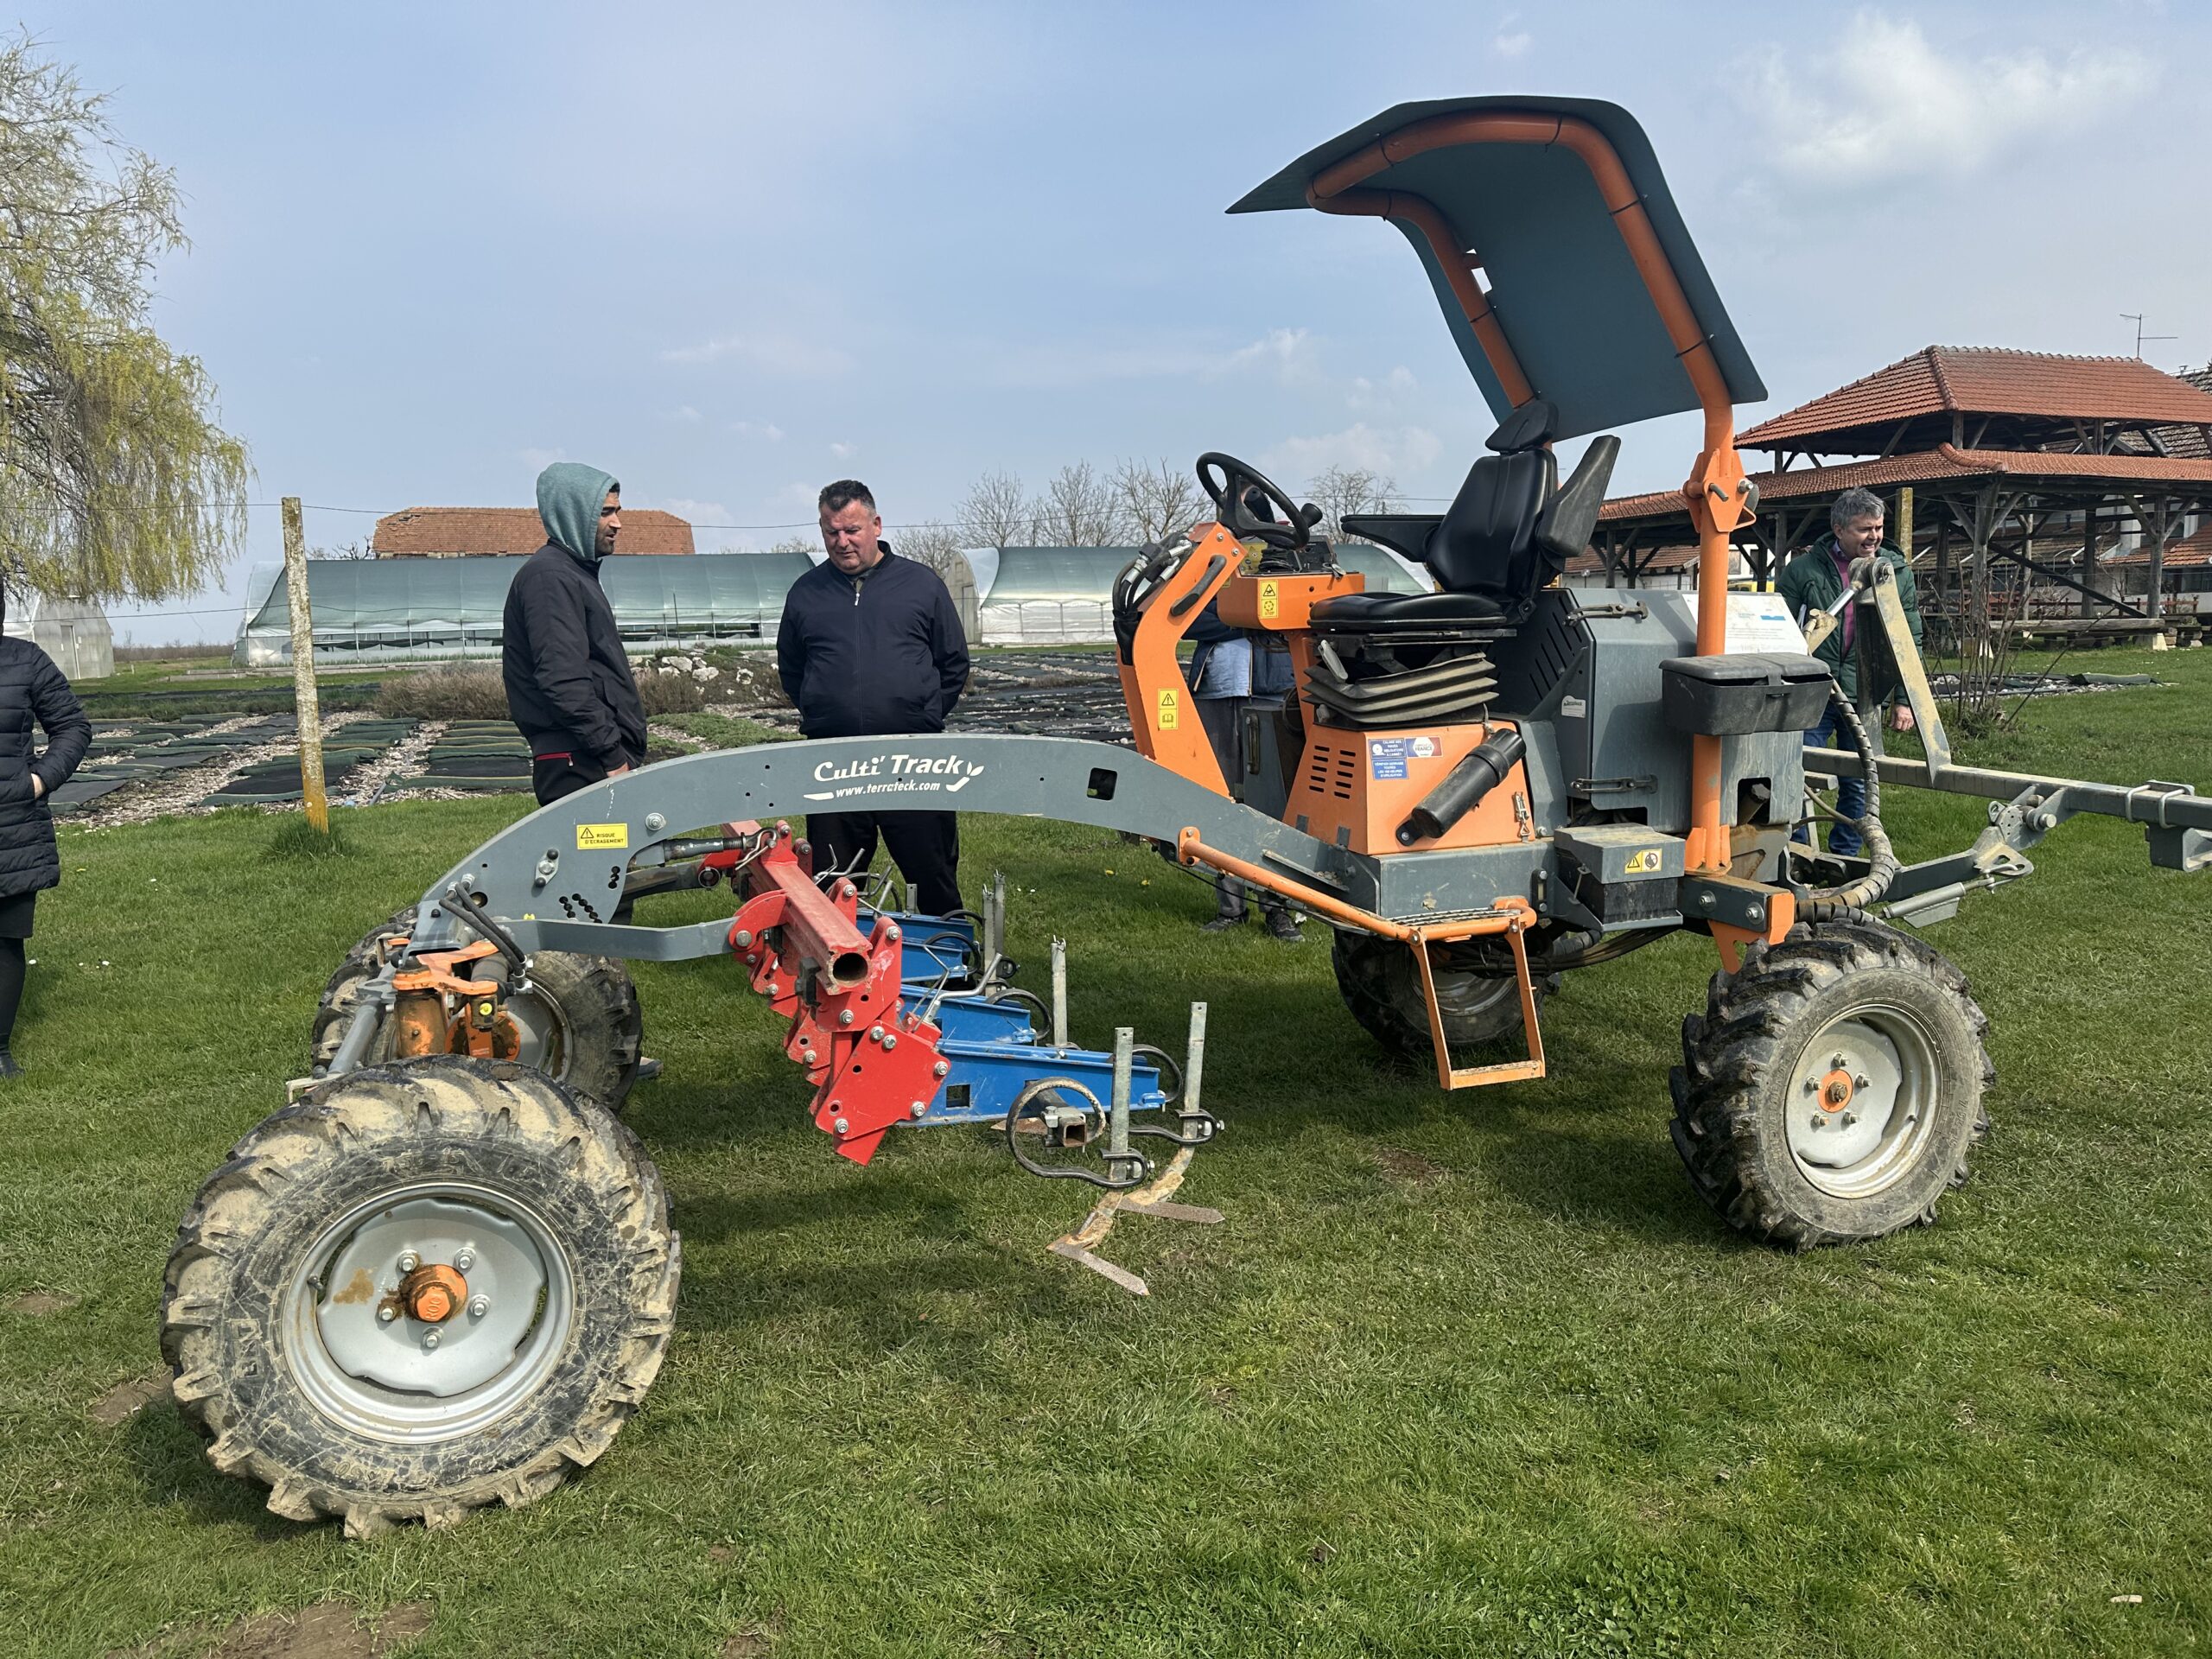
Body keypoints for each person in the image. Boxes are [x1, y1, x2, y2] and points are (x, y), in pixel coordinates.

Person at [777, 480, 970, 915]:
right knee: (834, 883)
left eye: (852, 530)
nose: (841, 541)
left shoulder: (920, 585)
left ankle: (953, 969)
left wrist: (923, 713)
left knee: (931, 871)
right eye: (831, 532)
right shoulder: (806, 593)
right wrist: (822, 710)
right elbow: (792, 668)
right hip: (835, 762)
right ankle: (842, 974)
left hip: (914, 760)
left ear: (876, 525)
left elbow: (953, 662)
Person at [1778, 486, 1924, 856]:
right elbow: (1778, 626)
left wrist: (1904, 701)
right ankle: (1796, 851)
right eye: (1864, 529)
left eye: (1878, 527)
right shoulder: (1803, 570)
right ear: (1839, 528)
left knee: (1859, 780)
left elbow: (1908, 636)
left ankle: (1845, 856)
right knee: (1797, 769)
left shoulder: (1895, 573)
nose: (1873, 536)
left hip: (1865, 691)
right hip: (1814, 690)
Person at [502, 461, 647, 807]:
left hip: (586, 755)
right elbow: (563, 678)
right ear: (573, 514)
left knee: (613, 860)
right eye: (605, 512)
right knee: (598, 858)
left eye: (617, 511)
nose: (617, 523)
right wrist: (612, 756)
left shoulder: (573, 574)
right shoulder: (550, 578)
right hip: (579, 761)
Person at [0, 598, 91, 1077]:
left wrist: (38, 781)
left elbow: (73, 727)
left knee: (5, 937)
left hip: (11, 825)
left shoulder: (26, 661)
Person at [1188, 583, 1300, 941]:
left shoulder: (1284, 572)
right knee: (1219, 800)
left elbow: (1291, 616)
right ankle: (1231, 908)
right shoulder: (1210, 571)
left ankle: (1278, 909)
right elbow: (1187, 619)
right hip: (1215, 693)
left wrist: (1232, 616)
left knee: (1273, 806)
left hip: (1271, 694)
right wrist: (1246, 621)